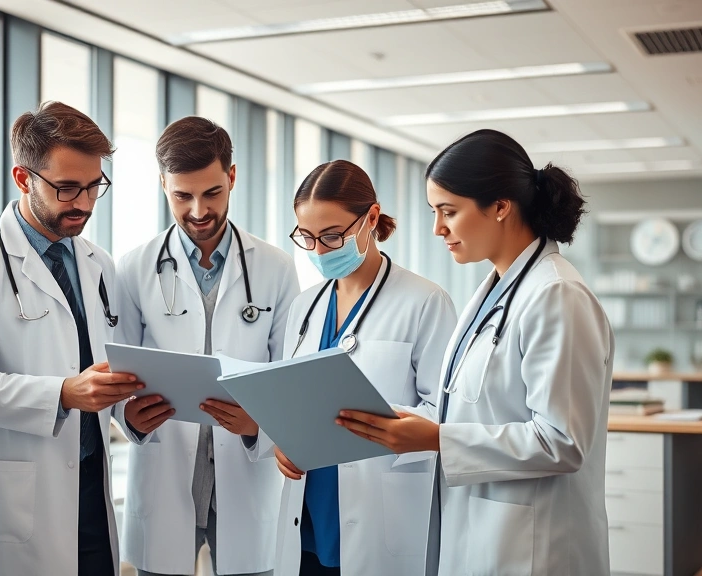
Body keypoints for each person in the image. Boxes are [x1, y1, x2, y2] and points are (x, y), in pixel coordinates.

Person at [339, 129, 614, 575]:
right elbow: (479, 411)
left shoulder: (557, 294)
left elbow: (563, 442)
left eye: (449, 211)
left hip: (535, 547)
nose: (437, 228)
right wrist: (412, 423)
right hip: (484, 534)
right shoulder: (494, 292)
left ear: (501, 206)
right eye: (434, 212)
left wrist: (436, 438)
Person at [0, 101, 139, 576]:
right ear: (23, 177)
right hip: (22, 498)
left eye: (95, 186)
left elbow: (102, 365)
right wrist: (62, 393)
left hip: (93, 490)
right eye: (67, 188)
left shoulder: (98, 263)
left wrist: (129, 411)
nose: (85, 203)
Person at [113, 116, 300, 576]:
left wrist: (260, 424)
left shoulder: (275, 269)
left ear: (232, 177)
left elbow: (291, 374)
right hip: (165, 466)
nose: (198, 210)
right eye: (182, 196)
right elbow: (116, 368)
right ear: (162, 185)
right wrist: (128, 418)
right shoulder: (135, 268)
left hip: (245, 469)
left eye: (212, 193)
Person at [273, 160, 456, 576]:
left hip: (379, 514)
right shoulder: (305, 306)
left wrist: (385, 423)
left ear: (371, 218)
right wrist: (281, 440)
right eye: (307, 237)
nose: (319, 251)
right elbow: (291, 398)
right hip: (308, 513)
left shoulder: (425, 301)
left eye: (333, 235)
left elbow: (446, 414)